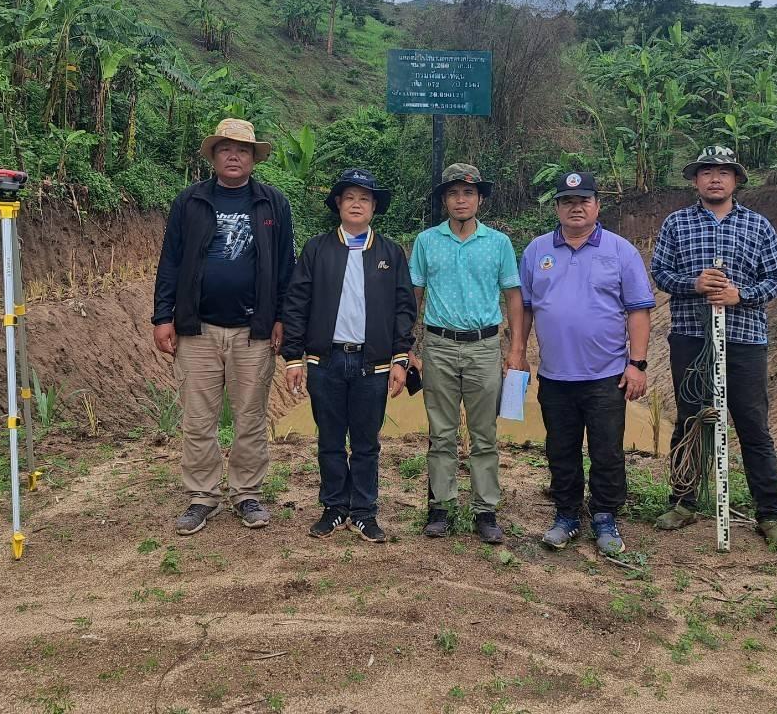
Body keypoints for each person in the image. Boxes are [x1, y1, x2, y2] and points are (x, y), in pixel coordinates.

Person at [152, 118, 296, 536]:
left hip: (254, 330)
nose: (234, 156)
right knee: (198, 419)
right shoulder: (190, 201)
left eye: (243, 150)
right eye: (226, 149)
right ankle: (202, 496)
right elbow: (171, 262)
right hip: (197, 329)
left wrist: (282, 318)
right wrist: (164, 316)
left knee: (250, 417)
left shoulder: (273, 203)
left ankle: (246, 493)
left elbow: (285, 266)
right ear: (214, 156)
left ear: (253, 159)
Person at [650, 145, 777, 552]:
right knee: (691, 420)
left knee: (752, 425)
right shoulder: (677, 224)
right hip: (691, 337)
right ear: (695, 180)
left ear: (736, 180)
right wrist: (693, 285)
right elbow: (661, 273)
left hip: (745, 338)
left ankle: (770, 515)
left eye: (724, 172)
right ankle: (682, 503)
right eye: (707, 172)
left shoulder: (758, 226)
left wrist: (740, 294)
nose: (715, 178)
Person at [510, 171, 655, 555]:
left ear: (597, 206)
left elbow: (638, 311)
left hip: (606, 375)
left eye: (584, 200)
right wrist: (518, 353)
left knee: (607, 449)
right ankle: (567, 514)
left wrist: (636, 364)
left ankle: (606, 516)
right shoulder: (536, 250)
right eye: (567, 201)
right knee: (561, 448)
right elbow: (523, 308)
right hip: (555, 376)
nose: (576, 207)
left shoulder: (621, 251)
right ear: (557, 207)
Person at [282, 168, 416, 543]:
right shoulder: (317, 249)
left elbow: (404, 308)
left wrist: (401, 358)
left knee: (366, 442)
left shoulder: (389, 253)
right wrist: (294, 357)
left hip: (372, 364)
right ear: (338, 205)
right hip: (326, 362)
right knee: (329, 438)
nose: (356, 204)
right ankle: (334, 507)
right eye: (349, 198)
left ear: (374, 207)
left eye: (365, 199)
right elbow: (297, 303)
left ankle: (364, 511)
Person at [409, 163, 524, 545]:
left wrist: (516, 351)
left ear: (480, 199)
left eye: (469, 193)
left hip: (484, 347)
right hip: (438, 346)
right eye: (454, 193)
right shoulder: (426, 242)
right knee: (440, 432)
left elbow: (512, 296)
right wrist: (411, 348)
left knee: (484, 433)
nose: (462, 199)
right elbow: (415, 296)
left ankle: (485, 509)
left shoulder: (499, 243)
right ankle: (440, 506)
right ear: (444, 200)